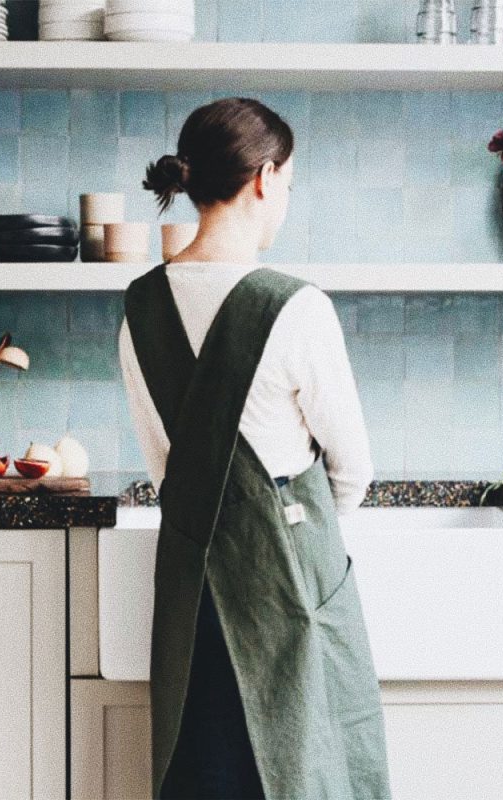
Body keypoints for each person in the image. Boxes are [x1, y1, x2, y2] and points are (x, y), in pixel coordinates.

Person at [118, 96, 392, 800]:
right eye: (290, 186)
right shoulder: (296, 307)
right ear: (265, 178)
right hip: (286, 592)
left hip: (192, 595)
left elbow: (166, 469)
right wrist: (288, 535)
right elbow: (352, 470)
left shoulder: (140, 309)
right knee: (305, 774)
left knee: (203, 772)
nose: (286, 201)